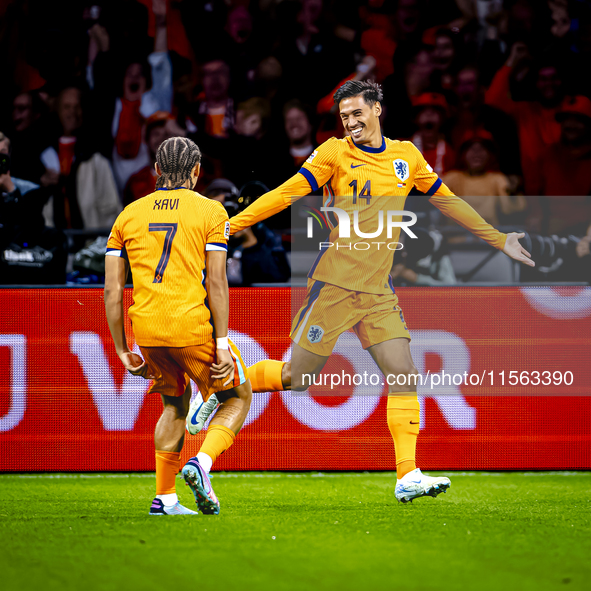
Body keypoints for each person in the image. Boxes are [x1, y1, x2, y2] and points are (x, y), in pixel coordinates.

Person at [206, 80, 534, 504]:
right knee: (297, 377)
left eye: (358, 114)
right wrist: (233, 225)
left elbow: (449, 201)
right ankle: (228, 382)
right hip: (336, 284)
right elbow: (287, 193)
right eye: (344, 117)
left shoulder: (407, 157)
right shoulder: (333, 153)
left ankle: (407, 473)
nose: (351, 123)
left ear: (378, 109)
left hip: (378, 289)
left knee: (404, 375)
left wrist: (499, 238)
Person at [104, 137, 252, 515]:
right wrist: (221, 343)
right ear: (197, 171)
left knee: (173, 404)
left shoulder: (128, 215)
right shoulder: (211, 211)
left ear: (156, 170)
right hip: (190, 326)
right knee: (239, 396)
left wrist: (122, 349)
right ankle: (200, 463)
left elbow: (111, 290)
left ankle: (165, 498)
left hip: (149, 332)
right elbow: (217, 282)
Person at [443, 130, 526, 227]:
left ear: (491, 155)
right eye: (471, 149)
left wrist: (514, 194)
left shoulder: (497, 179)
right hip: (456, 238)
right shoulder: (452, 178)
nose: (476, 153)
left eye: (482, 148)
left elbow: (511, 209)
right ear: (463, 154)